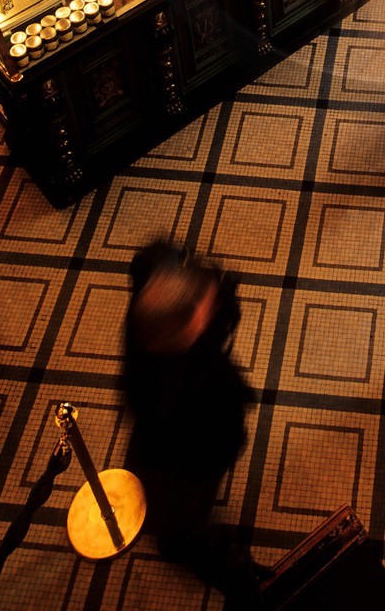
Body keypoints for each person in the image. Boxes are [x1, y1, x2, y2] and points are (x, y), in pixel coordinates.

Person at [122, 241, 264, 603]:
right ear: (178, 334)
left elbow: (150, 259)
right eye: (203, 308)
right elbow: (193, 433)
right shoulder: (176, 387)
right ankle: (222, 568)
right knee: (182, 523)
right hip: (185, 458)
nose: (211, 301)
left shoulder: (158, 302)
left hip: (180, 443)